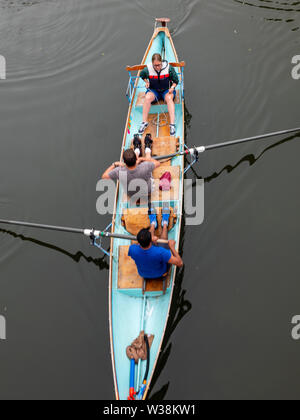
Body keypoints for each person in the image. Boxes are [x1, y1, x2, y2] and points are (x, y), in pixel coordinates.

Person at [128, 207, 183, 289]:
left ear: (139, 242)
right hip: (161, 273)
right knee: (163, 241)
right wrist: (171, 247)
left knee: (153, 242)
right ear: (151, 240)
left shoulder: (132, 249)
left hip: (143, 274)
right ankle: (164, 224)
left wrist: (151, 238)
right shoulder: (161, 252)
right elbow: (180, 263)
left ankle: (153, 224)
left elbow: (140, 246)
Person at [101, 134, 160, 200]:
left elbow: (104, 177)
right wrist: (142, 159)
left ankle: (137, 149)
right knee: (148, 159)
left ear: (124, 162)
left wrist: (114, 164)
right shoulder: (145, 165)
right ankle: (147, 149)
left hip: (132, 195)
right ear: (136, 159)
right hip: (148, 192)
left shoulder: (118, 171)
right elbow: (157, 163)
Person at [138, 53, 179, 137]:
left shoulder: (169, 68)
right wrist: (146, 82)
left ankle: (172, 125)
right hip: (154, 91)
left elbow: (176, 80)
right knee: (147, 98)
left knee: (169, 98)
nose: (157, 67)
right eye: (155, 65)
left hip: (166, 90)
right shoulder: (148, 69)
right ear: (152, 64)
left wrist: (172, 87)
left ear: (162, 62)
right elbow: (141, 74)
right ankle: (144, 122)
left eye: (159, 65)